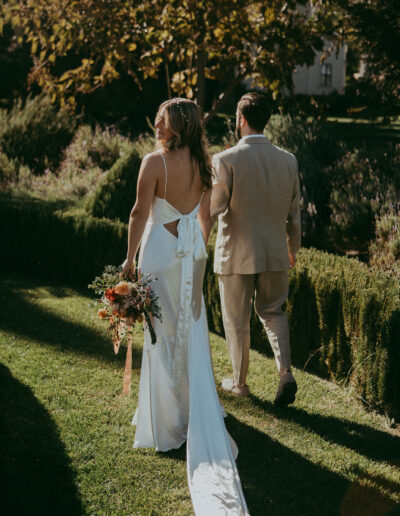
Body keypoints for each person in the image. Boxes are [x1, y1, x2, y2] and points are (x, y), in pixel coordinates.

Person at [121, 98, 249, 515]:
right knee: (188, 331)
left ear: (176, 125)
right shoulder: (204, 164)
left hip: (159, 251)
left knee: (160, 333)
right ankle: (189, 413)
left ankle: (167, 424)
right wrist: (199, 249)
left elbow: (140, 212)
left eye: (161, 118)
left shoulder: (153, 163)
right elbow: (206, 220)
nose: (156, 122)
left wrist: (127, 260)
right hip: (190, 252)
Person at [210, 91, 301, 406]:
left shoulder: (225, 159)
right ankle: (285, 371)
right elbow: (295, 214)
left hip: (235, 252)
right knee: (274, 312)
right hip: (275, 250)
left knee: (237, 320)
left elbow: (217, 206)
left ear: (241, 119)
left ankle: (240, 383)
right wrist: (293, 248)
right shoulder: (288, 160)